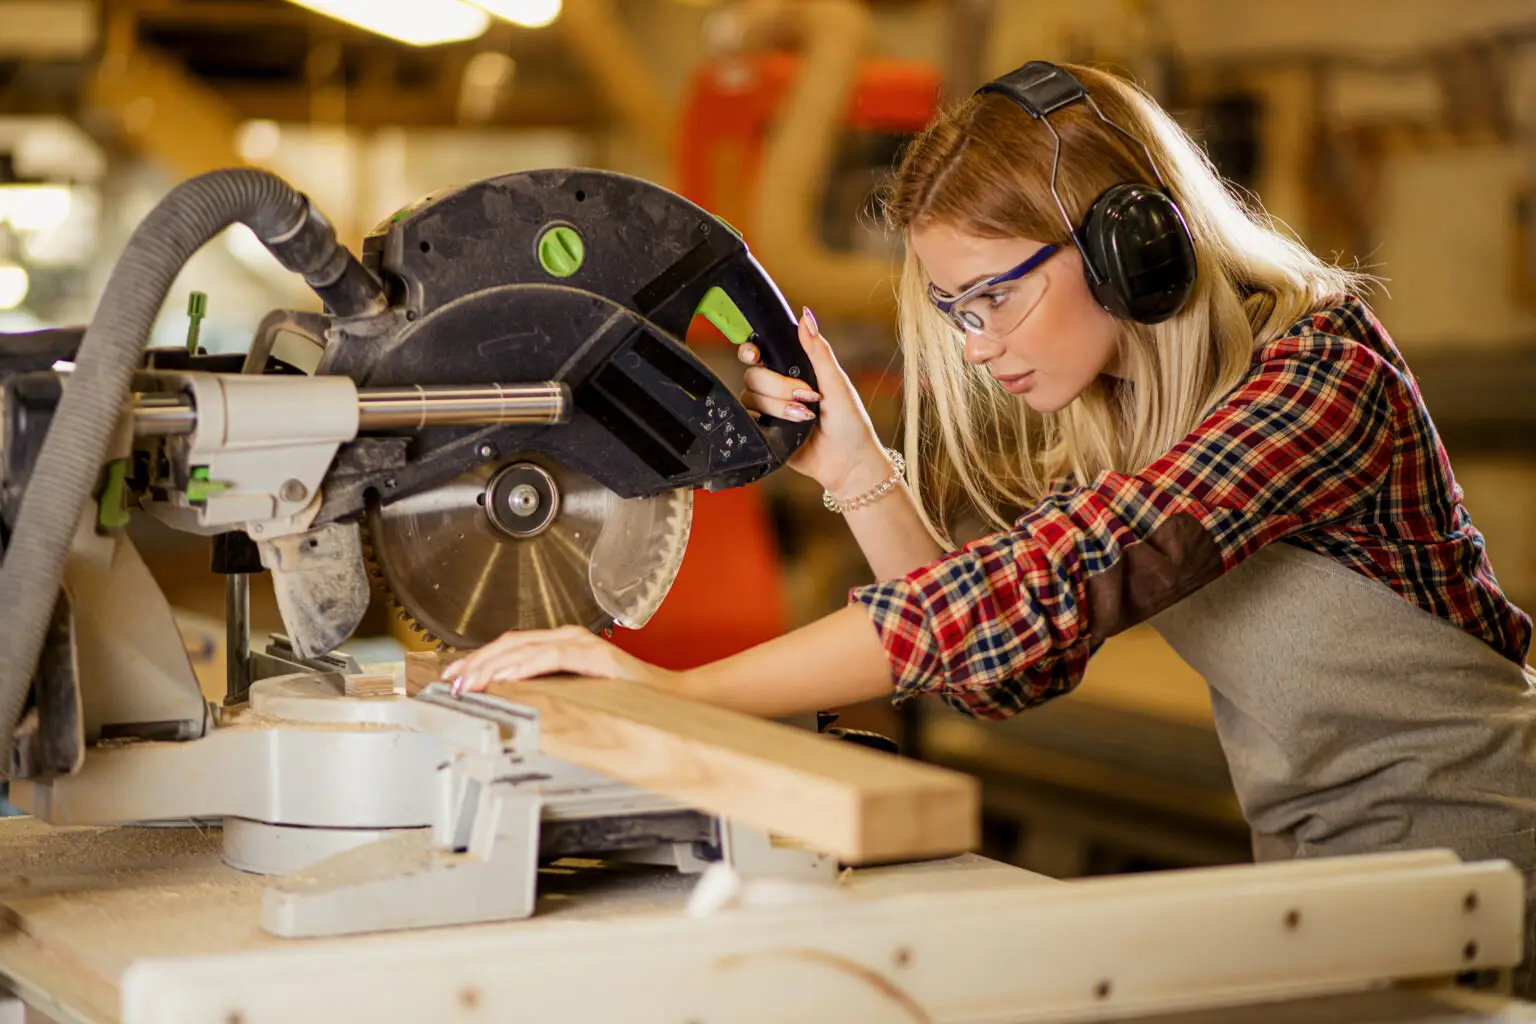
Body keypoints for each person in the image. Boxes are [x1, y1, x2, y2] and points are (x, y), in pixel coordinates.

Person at [446, 60, 1536, 986]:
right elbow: (996, 669)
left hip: (1490, 873)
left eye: (994, 297)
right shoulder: (1136, 418)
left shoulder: (1320, 378)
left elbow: (1047, 585)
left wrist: (686, 692)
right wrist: (855, 469)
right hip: (1328, 877)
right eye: (955, 310)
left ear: (1131, 245)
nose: (974, 345)